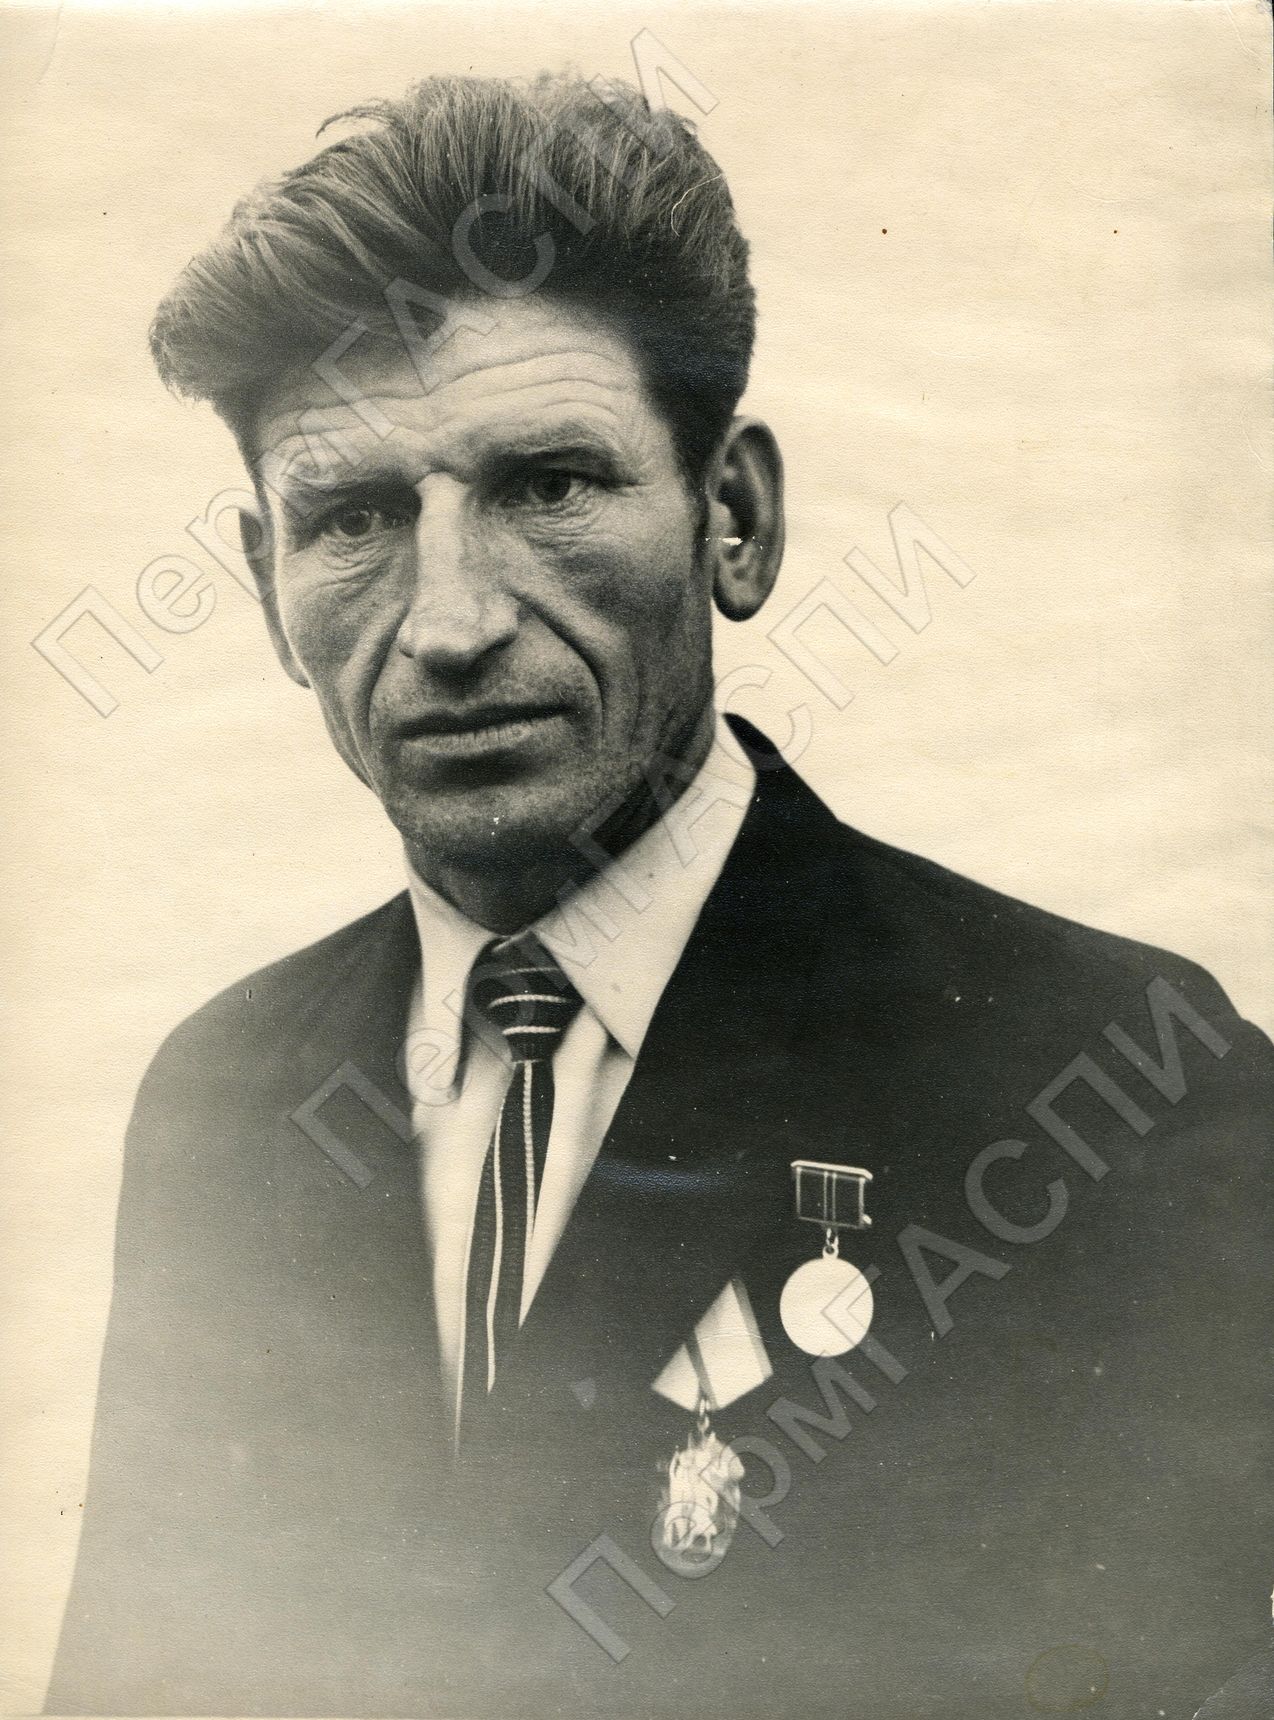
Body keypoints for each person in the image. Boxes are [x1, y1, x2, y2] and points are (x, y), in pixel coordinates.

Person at [47, 72, 1273, 1720]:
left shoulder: (1115, 1085)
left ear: (735, 520)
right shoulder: (226, 1097)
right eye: (351, 519)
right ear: (269, 596)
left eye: (546, 485)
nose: (450, 623)